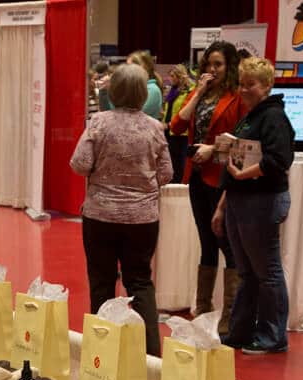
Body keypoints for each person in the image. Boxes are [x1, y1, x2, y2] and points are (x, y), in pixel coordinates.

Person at [70, 63, 172, 356]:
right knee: (140, 282)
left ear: (113, 91)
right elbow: (166, 173)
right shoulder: (154, 128)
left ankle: (101, 352)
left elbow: (79, 164)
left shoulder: (99, 122)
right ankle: (152, 354)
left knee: (101, 282)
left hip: (100, 216)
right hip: (142, 219)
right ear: (143, 93)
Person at [214, 57, 295, 355]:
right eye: (241, 84)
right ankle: (241, 331)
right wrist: (223, 205)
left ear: (267, 86)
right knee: (246, 271)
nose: (244, 89)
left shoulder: (273, 117)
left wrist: (243, 174)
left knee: (267, 271)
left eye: (251, 84)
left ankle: (273, 337)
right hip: (241, 200)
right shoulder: (250, 116)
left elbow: (278, 161)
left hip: (262, 200)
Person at [169, 41, 246, 331]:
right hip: (197, 177)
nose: (212, 70)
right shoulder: (198, 94)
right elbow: (176, 126)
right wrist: (199, 90)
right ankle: (203, 308)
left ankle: (230, 315)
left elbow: (241, 141)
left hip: (222, 178)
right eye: (208, 65)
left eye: (218, 65)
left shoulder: (236, 96)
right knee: (206, 242)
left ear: (229, 67)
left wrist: (213, 149)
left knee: (227, 243)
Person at [162, 64, 193, 184]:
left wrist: (169, 124)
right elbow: (170, 109)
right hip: (169, 130)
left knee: (181, 162)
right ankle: (174, 182)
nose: (170, 79)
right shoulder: (172, 91)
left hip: (182, 132)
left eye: (173, 76)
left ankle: (181, 185)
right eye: (170, 76)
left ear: (180, 77)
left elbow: (183, 112)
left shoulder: (188, 91)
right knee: (172, 160)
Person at [122, 50, 163, 120]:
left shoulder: (152, 90)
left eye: (130, 67)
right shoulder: (134, 87)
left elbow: (132, 117)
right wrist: (104, 91)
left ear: (144, 67)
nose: (126, 70)